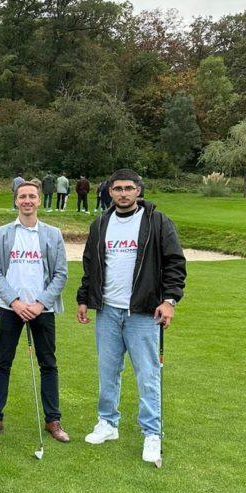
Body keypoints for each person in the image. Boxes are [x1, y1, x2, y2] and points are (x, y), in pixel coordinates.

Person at [77, 168, 186, 463]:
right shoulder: (101, 223)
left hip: (143, 312)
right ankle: (107, 423)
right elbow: (90, 265)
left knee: (148, 375)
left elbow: (175, 263)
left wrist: (169, 300)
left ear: (138, 190)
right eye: (117, 189)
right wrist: (84, 298)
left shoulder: (156, 221)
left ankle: (152, 433)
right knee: (108, 371)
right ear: (109, 192)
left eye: (128, 188)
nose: (123, 193)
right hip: (108, 311)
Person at [0, 179, 70, 443]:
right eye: (22, 196)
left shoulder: (52, 234)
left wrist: (40, 303)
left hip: (41, 309)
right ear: (16, 200)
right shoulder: (1, 233)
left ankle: (53, 419)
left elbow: (60, 274)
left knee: (48, 364)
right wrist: (15, 302)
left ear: (39, 200)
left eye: (32, 196)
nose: (27, 201)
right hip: (11, 308)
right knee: (2, 363)